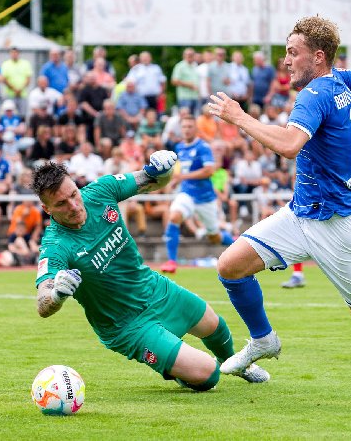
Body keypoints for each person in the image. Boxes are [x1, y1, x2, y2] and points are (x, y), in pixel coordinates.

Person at [208, 15, 351, 404]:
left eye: (292, 53)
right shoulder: (341, 80)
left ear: (317, 57)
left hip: (340, 226)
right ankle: (264, 340)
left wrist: (239, 116)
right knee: (230, 265)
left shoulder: (314, 94)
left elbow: (289, 144)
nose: (286, 61)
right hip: (301, 214)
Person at [32, 157, 270, 393]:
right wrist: (57, 295)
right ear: (47, 209)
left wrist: (162, 167)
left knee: (214, 325)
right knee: (208, 375)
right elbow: (43, 304)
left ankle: (241, 367)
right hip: (126, 325)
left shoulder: (100, 191)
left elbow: (154, 180)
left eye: (74, 194)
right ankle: (179, 371)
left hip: (154, 288)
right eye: (61, 203)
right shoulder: (55, 246)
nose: (73, 206)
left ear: (76, 185)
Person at [160, 115, 230, 274]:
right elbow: (184, 170)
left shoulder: (203, 147)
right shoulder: (179, 147)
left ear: (196, 129)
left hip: (205, 199)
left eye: (190, 127)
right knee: (174, 216)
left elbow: (209, 170)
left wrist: (181, 177)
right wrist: (177, 180)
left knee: (215, 237)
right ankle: (171, 261)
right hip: (187, 193)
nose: (186, 130)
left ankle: (236, 244)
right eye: (184, 127)